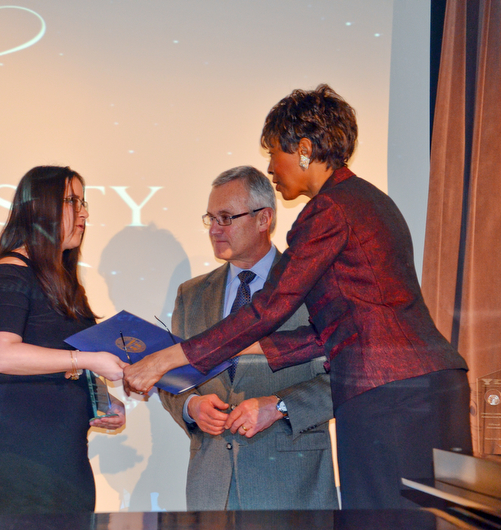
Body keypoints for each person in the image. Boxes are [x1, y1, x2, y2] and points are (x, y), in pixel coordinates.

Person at [124, 84, 471, 509]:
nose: (270, 167)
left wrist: (170, 358)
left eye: (274, 152)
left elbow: (270, 307)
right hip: (424, 388)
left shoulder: (329, 209)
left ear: (304, 149)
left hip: (389, 394)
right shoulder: (367, 200)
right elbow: (332, 329)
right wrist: (242, 349)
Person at [159, 166, 337, 510]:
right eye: (210, 218)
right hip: (212, 488)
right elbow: (173, 377)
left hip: (293, 488)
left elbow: (346, 377)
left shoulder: (316, 285)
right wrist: (191, 407)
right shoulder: (191, 295)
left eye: (225, 218)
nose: (214, 229)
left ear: (264, 218)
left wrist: (280, 406)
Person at [0, 165, 127, 515]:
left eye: (84, 203)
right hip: (14, 447)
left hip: (60, 448)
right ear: (39, 208)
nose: (83, 213)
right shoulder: (11, 270)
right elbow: (2, 355)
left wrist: (102, 400)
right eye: (71, 201)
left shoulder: (63, 279)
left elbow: (63, 359)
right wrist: (89, 361)